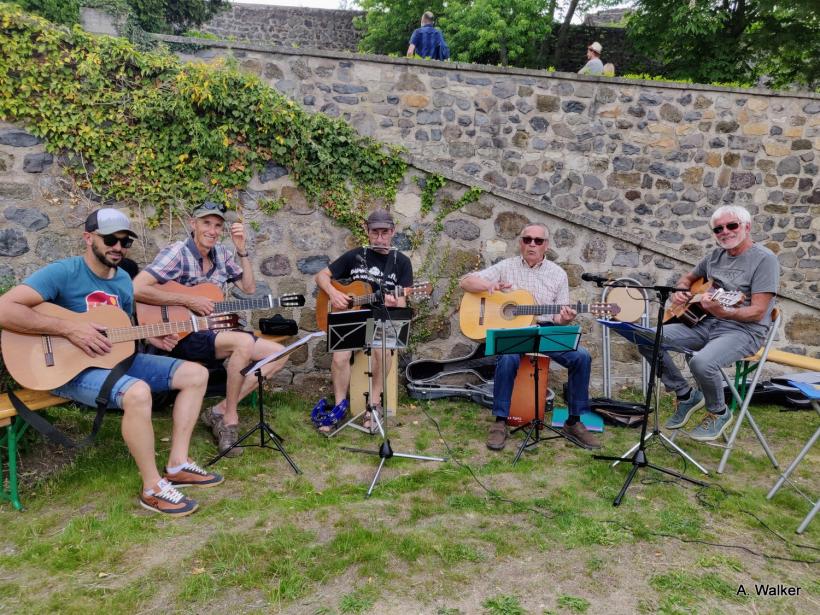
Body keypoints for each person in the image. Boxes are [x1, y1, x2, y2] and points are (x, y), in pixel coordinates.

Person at [0, 208, 222, 517]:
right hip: (67, 369)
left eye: (125, 241)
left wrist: (150, 338)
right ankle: (152, 488)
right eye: (110, 239)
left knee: (196, 374)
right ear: (88, 238)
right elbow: (5, 310)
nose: (118, 247)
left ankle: (177, 464)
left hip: (113, 361)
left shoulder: (122, 282)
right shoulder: (64, 272)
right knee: (138, 393)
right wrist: (69, 328)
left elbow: (119, 330)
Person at [133, 201, 288, 457]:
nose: (213, 230)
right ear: (193, 224)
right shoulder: (178, 253)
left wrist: (242, 251)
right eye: (206, 223)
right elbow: (137, 288)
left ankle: (218, 411)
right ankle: (229, 422)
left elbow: (249, 289)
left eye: (218, 225)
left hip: (214, 331)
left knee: (279, 353)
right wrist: (188, 300)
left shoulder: (223, 256)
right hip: (183, 334)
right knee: (242, 343)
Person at [637, 205, 779, 441]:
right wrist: (681, 292)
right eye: (718, 228)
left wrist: (724, 312)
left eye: (731, 225)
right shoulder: (714, 257)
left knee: (701, 361)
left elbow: (757, 312)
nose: (725, 231)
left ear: (747, 227)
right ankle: (685, 395)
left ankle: (718, 412)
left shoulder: (765, 260)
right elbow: (687, 279)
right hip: (704, 323)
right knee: (645, 337)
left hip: (744, 331)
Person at [459, 223, 600, 451]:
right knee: (507, 358)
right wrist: (490, 285)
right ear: (520, 243)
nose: (532, 244)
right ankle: (500, 422)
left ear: (546, 245)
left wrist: (565, 319)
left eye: (538, 241)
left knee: (581, 356)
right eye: (527, 239)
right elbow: (465, 282)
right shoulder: (506, 266)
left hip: (543, 330)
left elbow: (557, 318)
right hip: (513, 334)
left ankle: (574, 422)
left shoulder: (558, 274)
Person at [314, 209, 413, 432]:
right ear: (367, 232)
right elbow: (321, 276)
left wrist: (393, 302)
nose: (379, 238)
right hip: (353, 318)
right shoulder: (356, 255)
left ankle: (374, 405)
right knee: (340, 356)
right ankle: (339, 408)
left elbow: (402, 304)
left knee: (383, 351)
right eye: (375, 232)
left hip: (381, 319)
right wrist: (333, 293)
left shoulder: (402, 262)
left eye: (384, 232)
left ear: (393, 232)